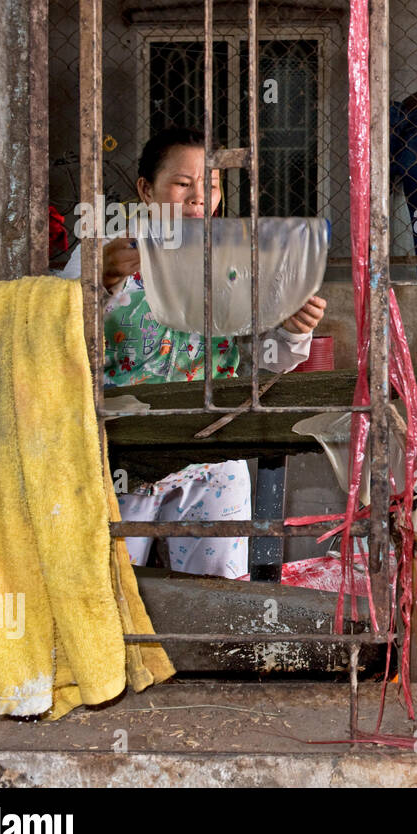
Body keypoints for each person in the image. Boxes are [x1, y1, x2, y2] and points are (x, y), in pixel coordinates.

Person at [92, 126, 327, 578]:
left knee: (218, 592)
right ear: (146, 189)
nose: (199, 198)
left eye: (212, 186)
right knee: (112, 589)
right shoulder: (107, 253)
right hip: (121, 454)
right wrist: (98, 283)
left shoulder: (234, 261)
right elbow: (49, 338)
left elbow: (263, 362)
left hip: (211, 451)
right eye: (183, 184)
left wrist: (294, 332)